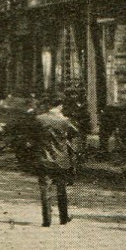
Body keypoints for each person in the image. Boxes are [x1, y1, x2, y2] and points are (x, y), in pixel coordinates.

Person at [32, 96, 81, 227]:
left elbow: (32, 136)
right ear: (60, 106)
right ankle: (63, 218)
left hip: (44, 158)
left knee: (45, 189)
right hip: (61, 160)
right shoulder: (64, 121)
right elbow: (76, 134)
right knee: (61, 189)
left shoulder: (39, 119)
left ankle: (46, 220)